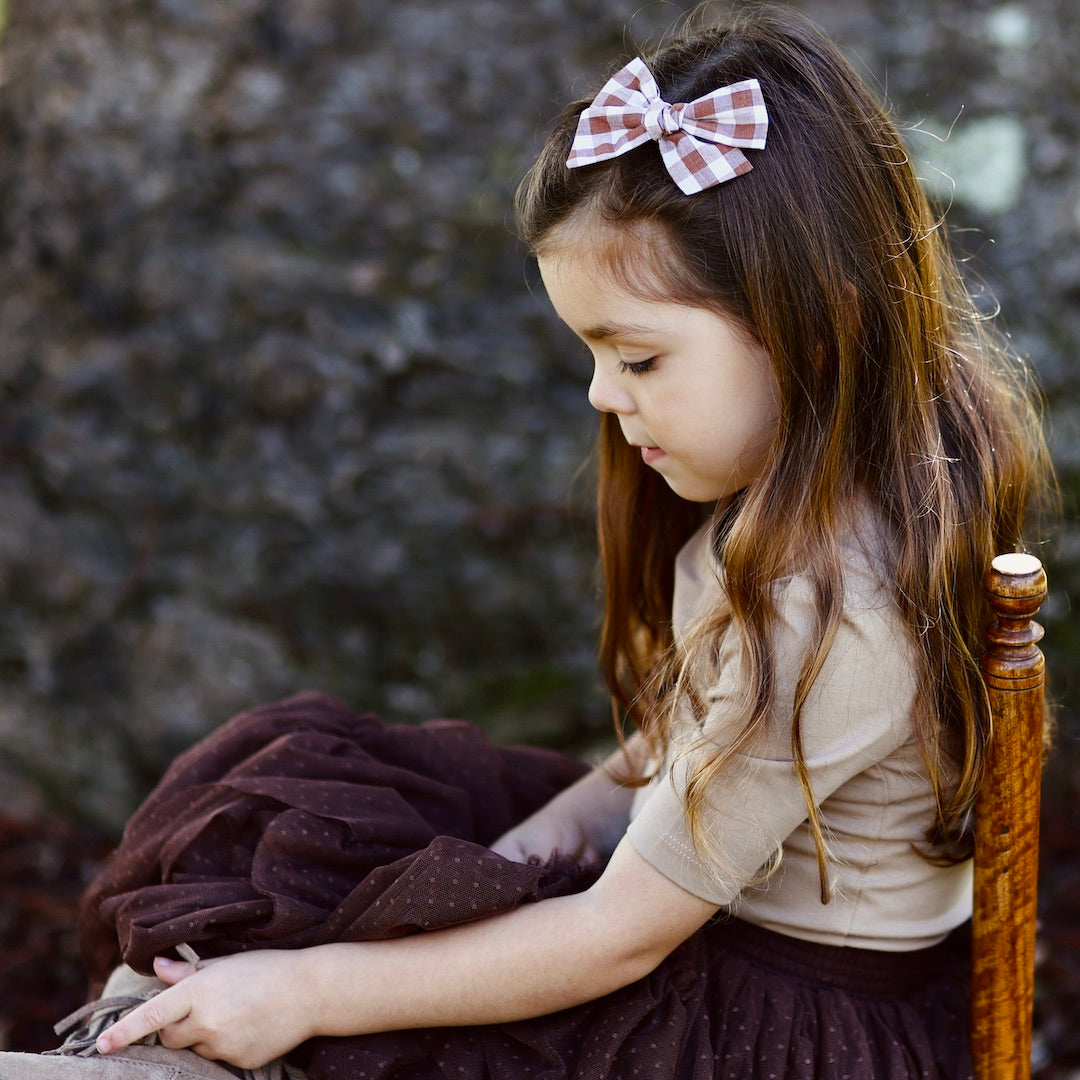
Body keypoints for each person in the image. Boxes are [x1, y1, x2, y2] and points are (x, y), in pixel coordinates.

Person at [2, 7, 1052, 1080]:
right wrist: (470, 879)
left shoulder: (834, 602)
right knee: (299, 842)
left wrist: (317, 985)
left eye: (637, 360)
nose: (603, 397)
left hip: (766, 1020)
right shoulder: (830, 485)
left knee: (348, 1009)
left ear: (813, 322)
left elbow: (618, 935)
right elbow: (662, 759)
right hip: (693, 906)